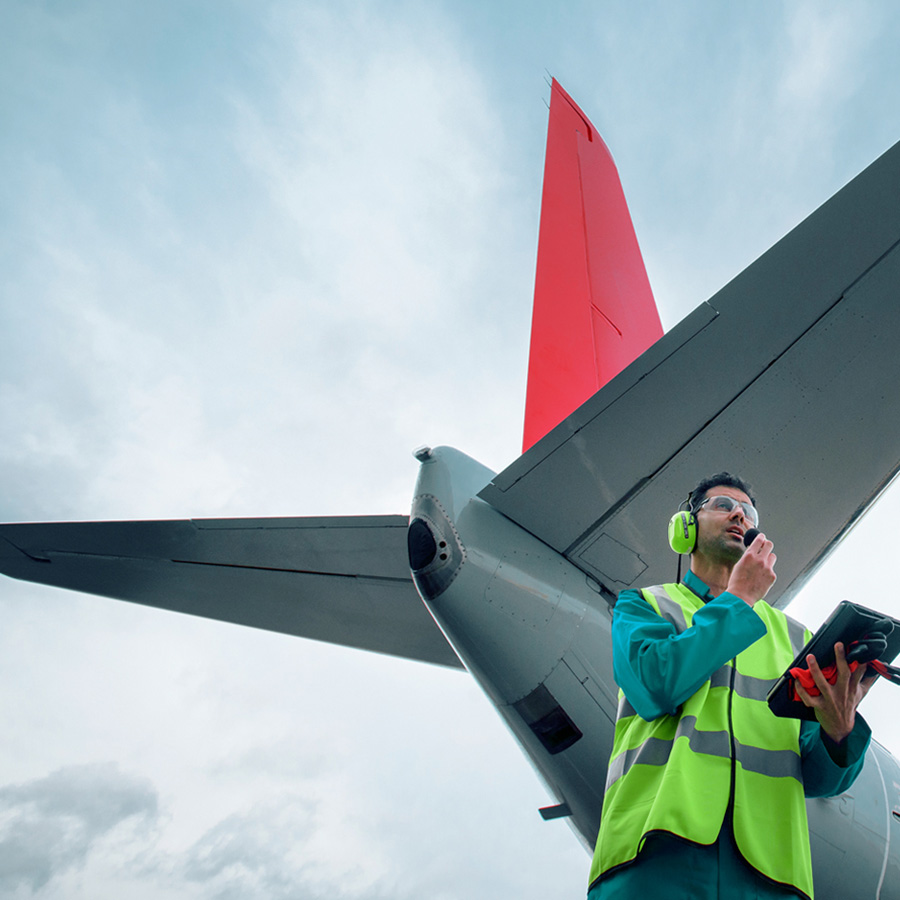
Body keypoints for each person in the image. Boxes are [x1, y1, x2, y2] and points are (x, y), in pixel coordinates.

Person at [587, 472, 875, 900]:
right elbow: (655, 683)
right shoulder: (644, 605)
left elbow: (819, 780)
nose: (739, 513)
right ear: (684, 527)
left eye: (748, 511)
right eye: (723, 505)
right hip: (655, 856)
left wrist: (840, 731)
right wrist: (738, 601)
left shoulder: (797, 641)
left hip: (770, 873)